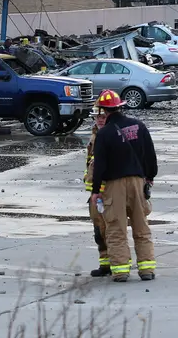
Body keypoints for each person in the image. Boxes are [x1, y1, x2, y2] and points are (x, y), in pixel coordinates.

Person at [90, 89, 158, 282]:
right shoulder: (139, 126)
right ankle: (147, 270)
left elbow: (100, 165)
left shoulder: (104, 133)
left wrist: (96, 191)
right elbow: (150, 156)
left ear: (104, 110)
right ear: (121, 106)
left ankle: (120, 271)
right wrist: (149, 178)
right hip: (138, 182)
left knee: (116, 228)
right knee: (141, 226)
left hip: (114, 185)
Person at [84, 106, 109, 276]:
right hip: (95, 194)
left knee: (113, 231)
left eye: (103, 116)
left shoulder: (110, 135)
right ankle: (105, 264)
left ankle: (119, 263)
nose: (99, 119)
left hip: (109, 192)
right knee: (99, 232)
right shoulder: (95, 135)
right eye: (97, 116)